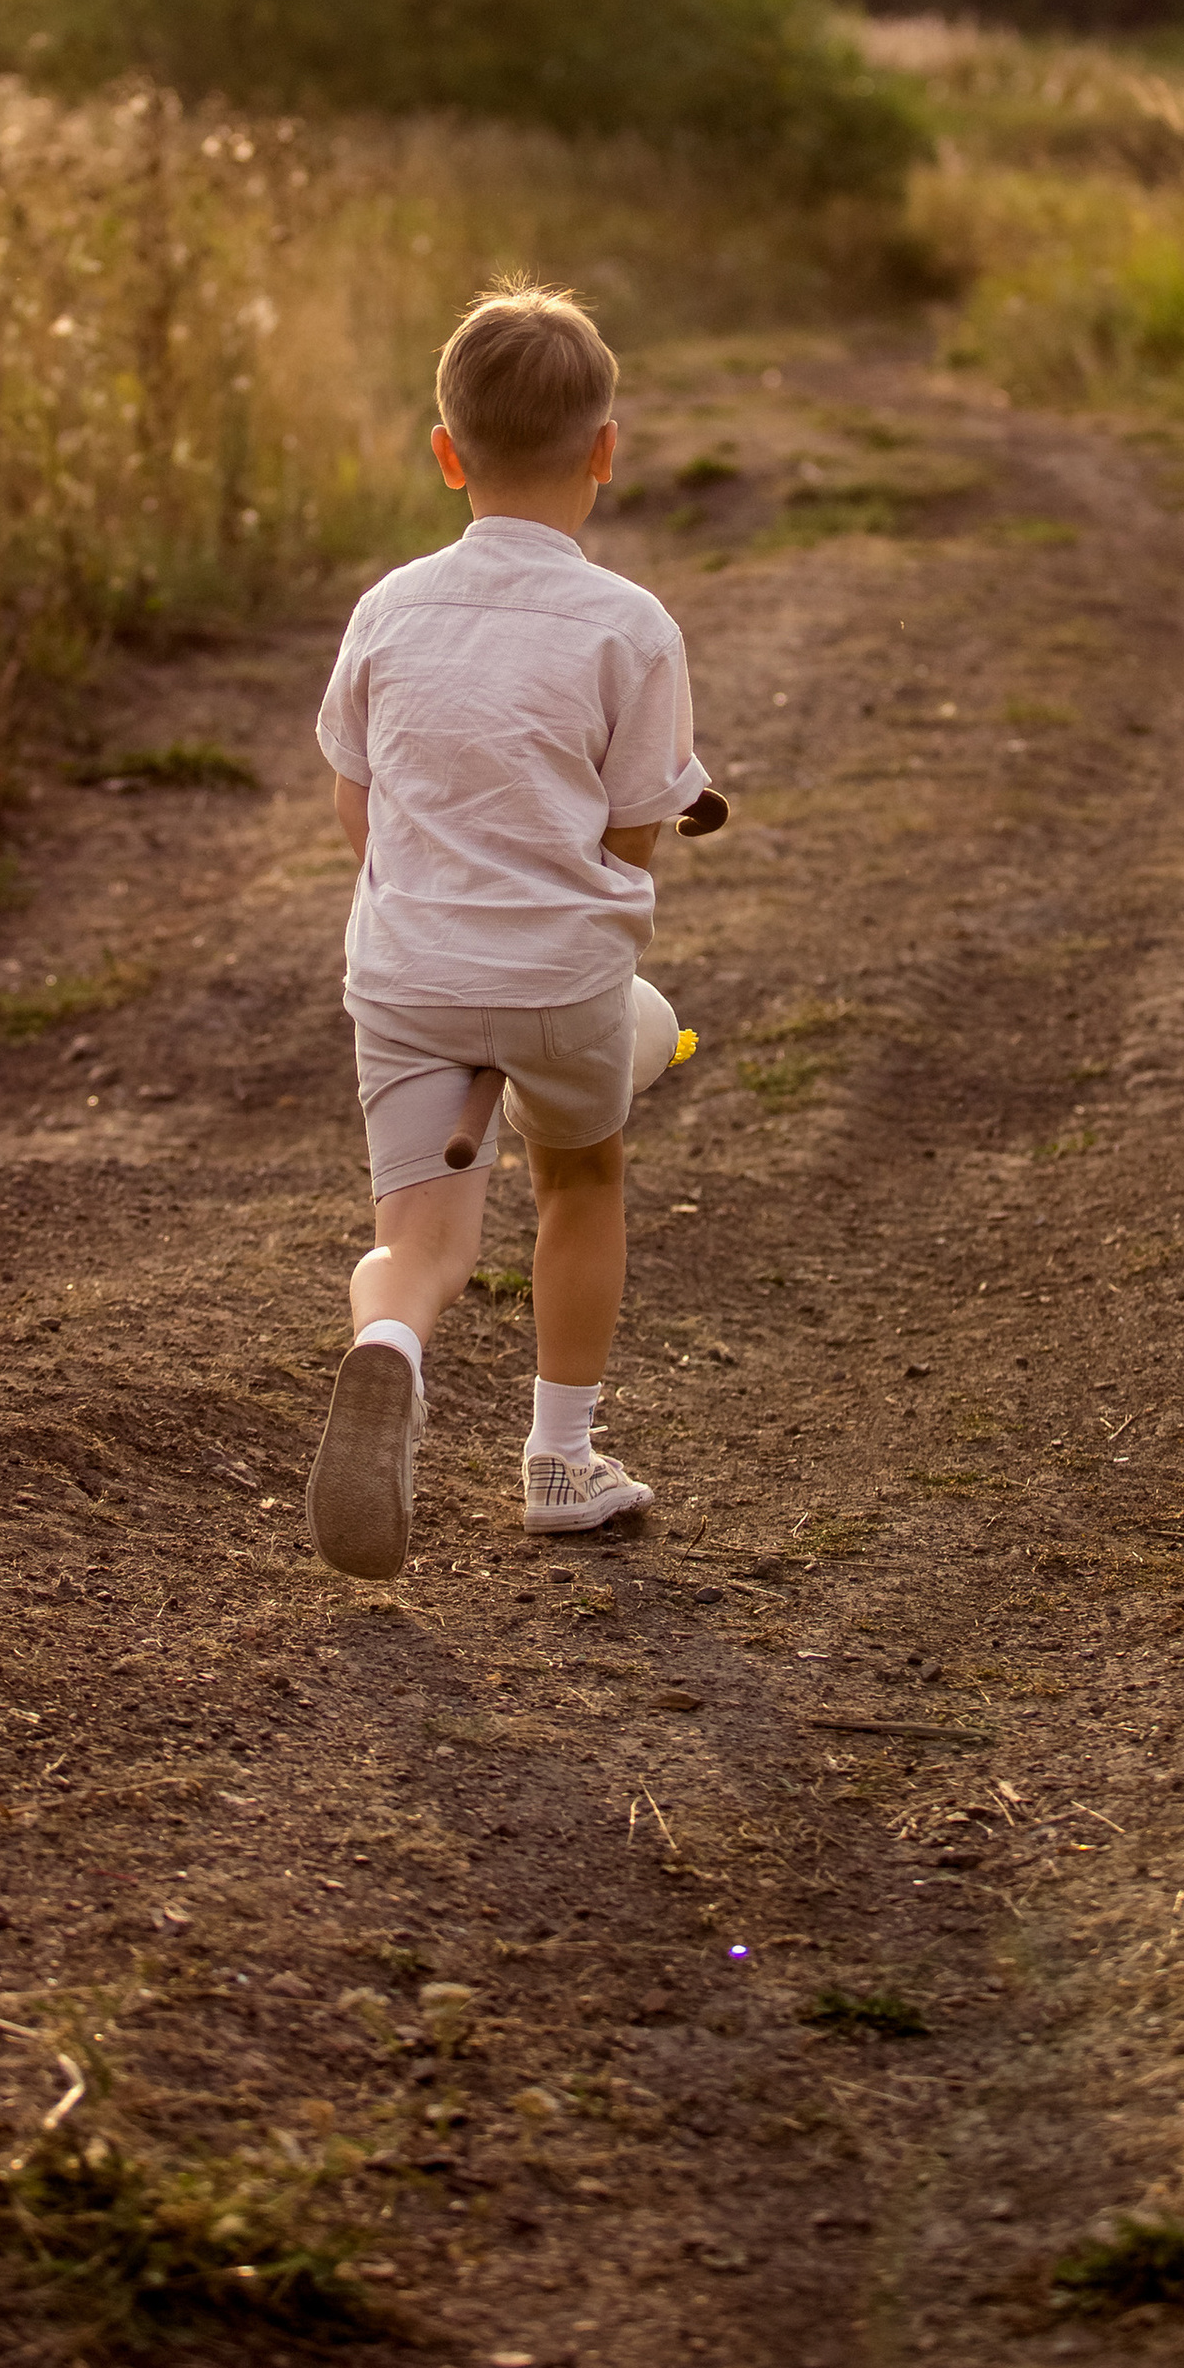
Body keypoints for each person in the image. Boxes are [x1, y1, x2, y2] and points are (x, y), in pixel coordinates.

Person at [305, 283, 712, 1580]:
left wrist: (436, 902)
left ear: (446, 454)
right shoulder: (631, 626)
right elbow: (636, 830)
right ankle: (560, 1459)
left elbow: (357, 800)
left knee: (418, 1241)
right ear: (606, 451)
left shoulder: (387, 608)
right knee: (579, 1178)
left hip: (408, 970)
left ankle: (389, 1343)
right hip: (559, 976)